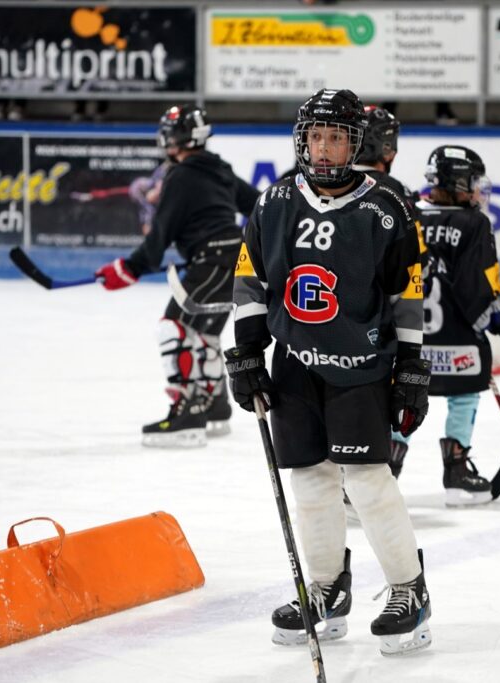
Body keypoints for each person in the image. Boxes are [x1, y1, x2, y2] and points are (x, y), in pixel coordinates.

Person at [224, 88, 433, 656]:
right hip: (295, 365)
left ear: (354, 143)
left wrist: (412, 366)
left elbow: (407, 293)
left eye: (336, 137)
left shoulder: (387, 207)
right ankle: (326, 590)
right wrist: (247, 352)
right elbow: (250, 281)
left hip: (361, 366)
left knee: (366, 478)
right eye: (315, 136)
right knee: (310, 479)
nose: (323, 148)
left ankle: (409, 591)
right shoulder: (274, 202)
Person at [95, 105, 259, 447]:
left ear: (176, 138)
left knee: (174, 327)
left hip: (213, 262)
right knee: (203, 331)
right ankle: (213, 404)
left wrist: (130, 267)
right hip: (239, 261)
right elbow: (260, 208)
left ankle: (187, 413)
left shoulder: (180, 175)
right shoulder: (220, 170)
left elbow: (160, 234)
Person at [390, 145, 500, 506]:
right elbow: (481, 285)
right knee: (464, 395)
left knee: (403, 397)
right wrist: (499, 316)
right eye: (472, 181)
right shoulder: (474, 223)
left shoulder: (407, 212)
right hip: (459, 342)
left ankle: (384, 471)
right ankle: (457, 474)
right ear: (457, 182)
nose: (477, 189)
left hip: (410, 342)